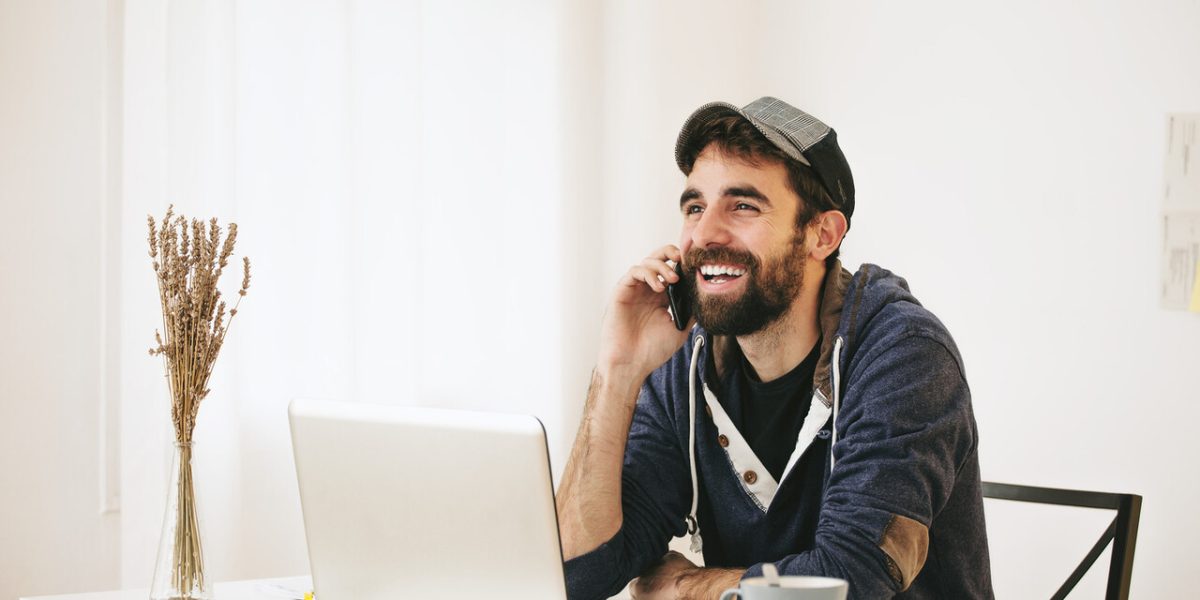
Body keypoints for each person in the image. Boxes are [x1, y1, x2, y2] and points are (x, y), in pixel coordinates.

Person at [555, 97, 993, 600]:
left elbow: (849, 582)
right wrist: (617, 371)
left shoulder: (904, 357)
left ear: (821, 234)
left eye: (742, 205)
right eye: (695, 206)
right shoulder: (683, 363)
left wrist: (685, 587)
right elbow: (576, 575)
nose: (704, 234)